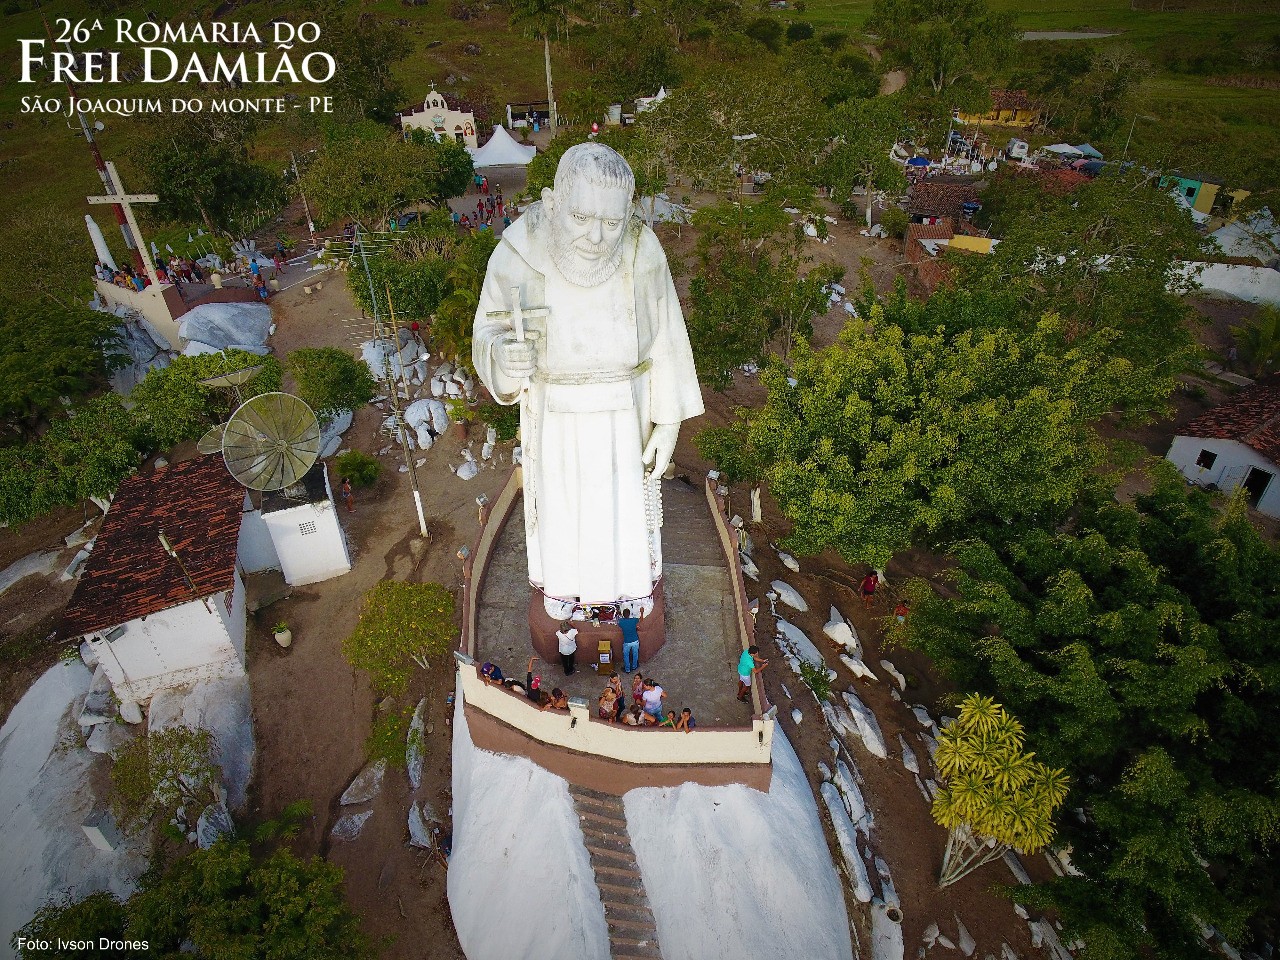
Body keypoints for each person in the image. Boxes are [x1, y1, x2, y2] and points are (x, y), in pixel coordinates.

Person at [472, 142, 704, 613]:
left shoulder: (642, 249)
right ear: (553, 203)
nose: (597, 237)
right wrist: (502, 355)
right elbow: (488, 329)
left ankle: (631, 597)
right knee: (565, 521)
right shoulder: (516, 252)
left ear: (628, 215)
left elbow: (667, 338)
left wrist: (669, 421)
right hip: (555, 422)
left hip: (627, 415)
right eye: (581, 218)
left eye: (612, 222)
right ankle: (564, 597)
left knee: (624, 522)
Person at [618, 608, 641, 673]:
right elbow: (641, 619)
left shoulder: (621, 622)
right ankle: (634, 666)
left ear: (623, 615)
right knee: (635, 654)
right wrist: (641, 612)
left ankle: (627, 669)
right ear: (629, 614)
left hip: (627, 642)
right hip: (635, 641)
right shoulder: (634, 620)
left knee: (626, 655)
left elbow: (618, 622)